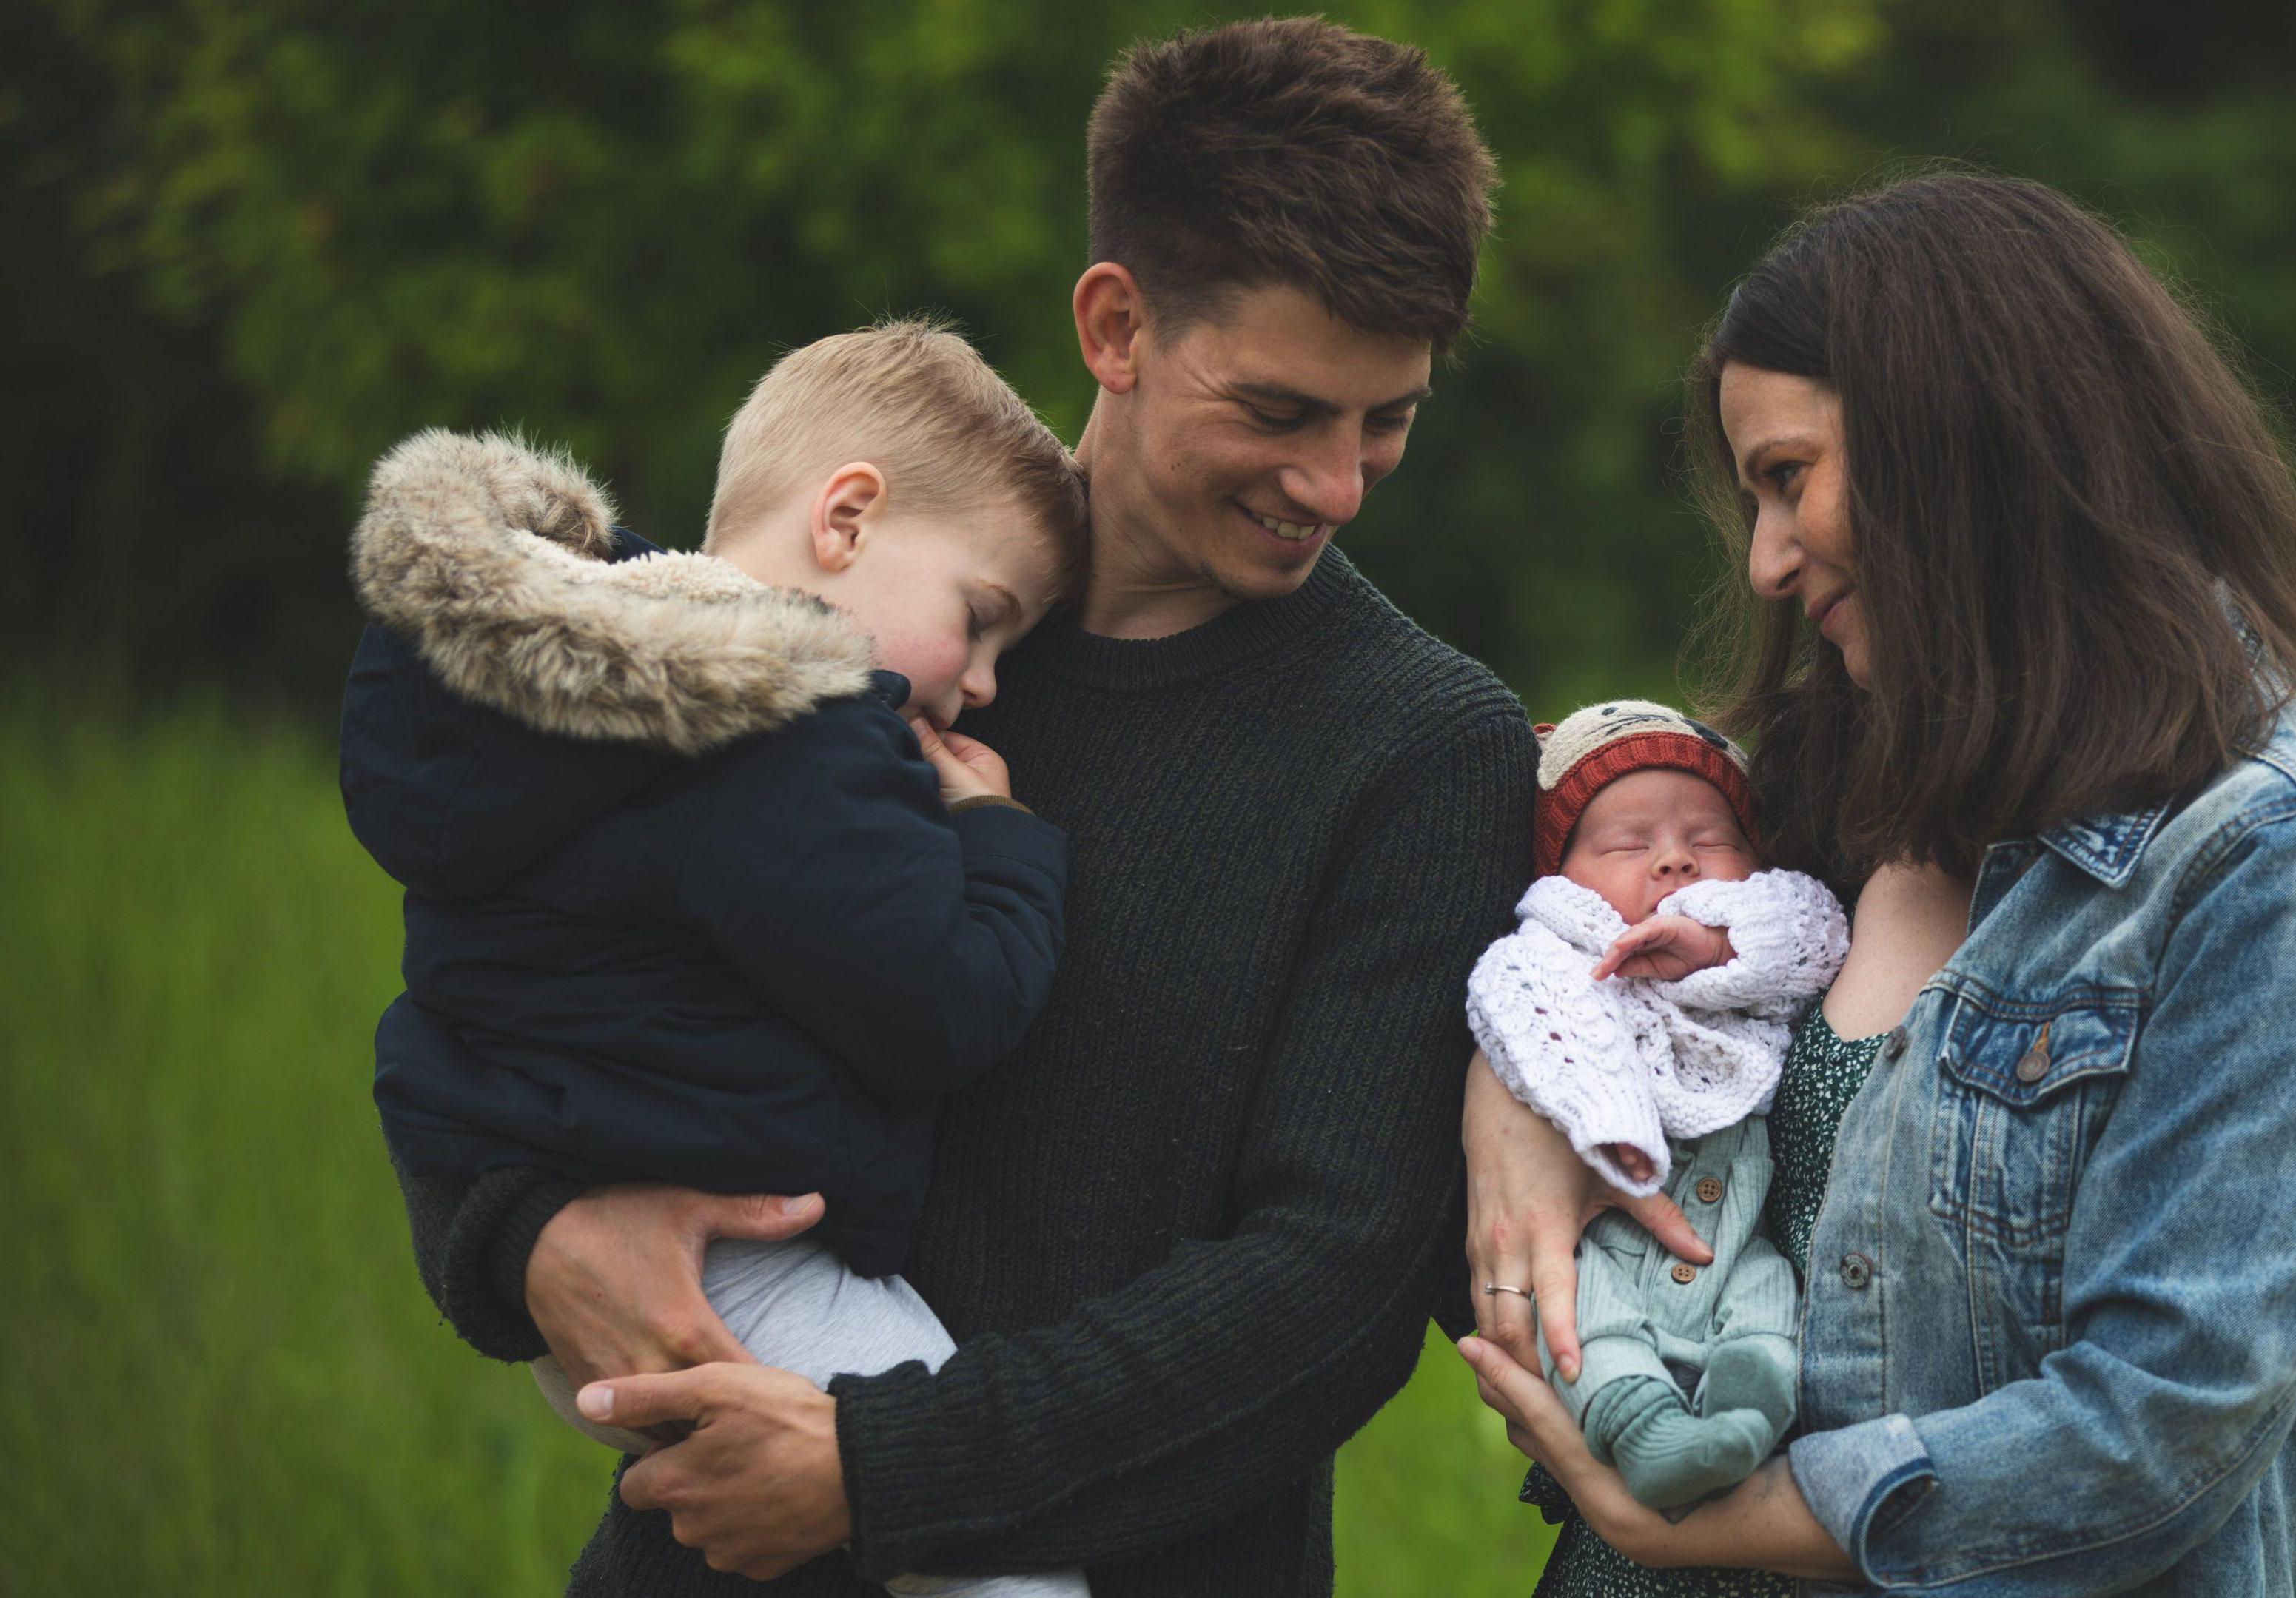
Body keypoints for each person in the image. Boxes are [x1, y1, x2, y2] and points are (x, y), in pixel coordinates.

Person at [378, 18, 1531, 1596]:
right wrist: (520, 1232)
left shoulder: (1418, 746)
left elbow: (1328, 1284)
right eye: (1278, 410)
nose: (1333, 481)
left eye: (1384, 418)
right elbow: (524, 971)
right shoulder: (862, 636)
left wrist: (880, 1468)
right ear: (1116, 323)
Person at [1457, 172, 2296, 1597]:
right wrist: (1512, 1087)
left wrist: (1706, 1520)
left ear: (1964, 439)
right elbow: (1549, 921)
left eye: (1789, 477)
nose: (1764, 558)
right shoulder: (1831, 775)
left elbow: (2149, 1431)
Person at [343, 322, 1087, 1598]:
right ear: (845, 519)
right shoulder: (793, 735)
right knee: (1000, 1552)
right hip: (738, 1276)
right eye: (980, 619)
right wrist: (1005, 845)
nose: (978, 684)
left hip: (569, 1268)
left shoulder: (532, 696)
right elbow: (944, 1007)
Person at [1464, 701, 1847, 1515]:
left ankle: (1749, 1399)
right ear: (1560, 874)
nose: (1675, 859)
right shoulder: (1553, 953)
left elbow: (1812, 930)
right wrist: (1613, 1127)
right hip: (1611, 1219)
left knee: (1767, 1294)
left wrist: (1712, 945)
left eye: (1711, 839)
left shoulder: (1749, 967)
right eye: (1629, 844)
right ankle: (1645, 1427)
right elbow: (1535, 1016)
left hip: (1737, 1235)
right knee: (1585, 1317)